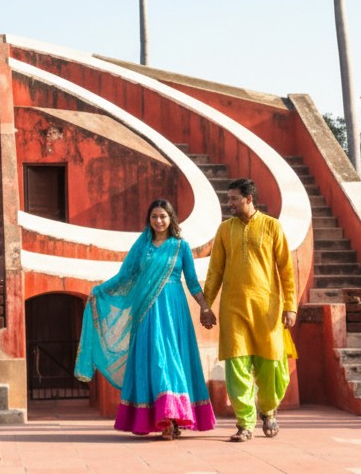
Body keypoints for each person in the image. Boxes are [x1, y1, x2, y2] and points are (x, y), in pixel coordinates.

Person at [74, 198, 216, 439]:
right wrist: (99, 291)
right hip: (147, 312)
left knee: (174, 360)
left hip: (174, 311)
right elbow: (124, 278)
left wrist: (204, 307)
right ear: (148, 220)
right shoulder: (142, 246)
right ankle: (165, 419)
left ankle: (174, 417)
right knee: (156, 359)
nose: (158, 221)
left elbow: (192, 282)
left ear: (171, 219)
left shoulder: (181, 247)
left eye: (163, 216)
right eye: (154, 217)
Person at [200, 178, 296, 442]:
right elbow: (215, 271)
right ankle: (245, 422)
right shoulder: (224, 230)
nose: (228, 203)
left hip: (267, 308)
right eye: (228, 198)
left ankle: (268, 410)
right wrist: (206, 306)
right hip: (234, 308)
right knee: (236, 365)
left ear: (248, 199)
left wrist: (290, 306)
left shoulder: (272, 226)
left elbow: (286, 269)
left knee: (271, 366)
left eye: (233, 198)